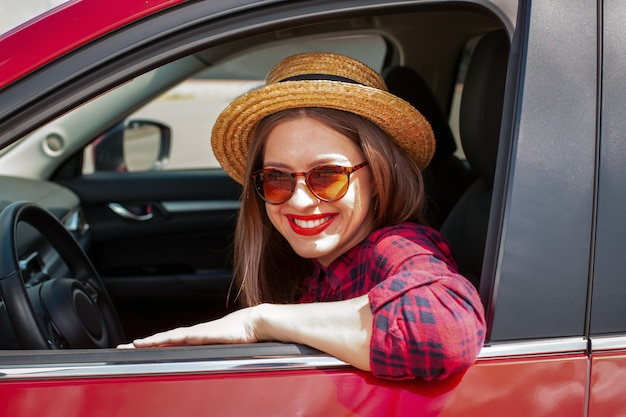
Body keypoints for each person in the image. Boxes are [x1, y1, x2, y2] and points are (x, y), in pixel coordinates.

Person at [119, 52, 485, 381]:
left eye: (327, 175)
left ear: (377, 178)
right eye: (277, 178)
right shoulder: (318, 261)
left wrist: (259, 322)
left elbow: (446, 329)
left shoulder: (396, 247)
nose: (300, 200)